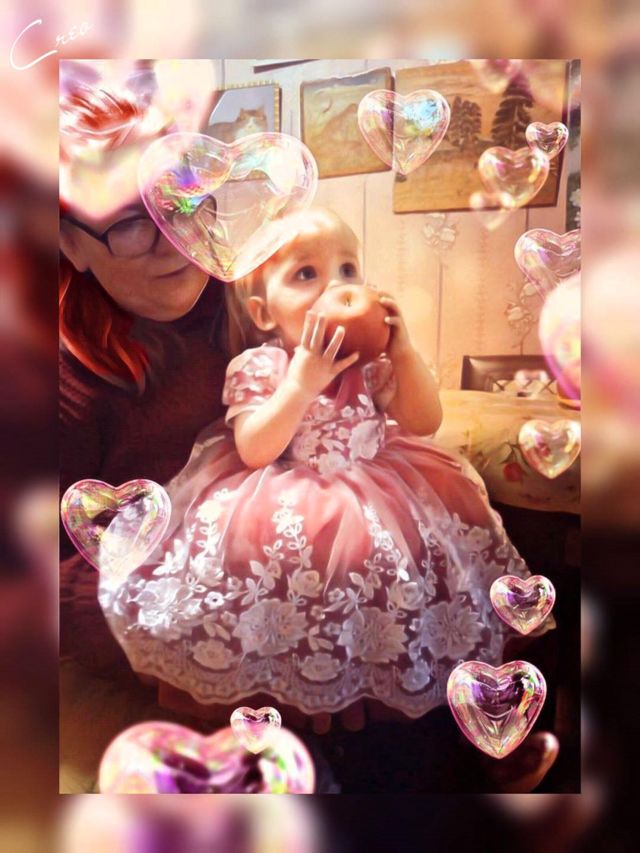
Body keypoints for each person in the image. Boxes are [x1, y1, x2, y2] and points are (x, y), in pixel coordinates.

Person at [99, 206, 553, 728]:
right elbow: (254, 448)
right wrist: (301, 384)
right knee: (292, 583)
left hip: (381, 488)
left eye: (348, 270)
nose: (336, 288)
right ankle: (300, 696)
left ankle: (371, 689)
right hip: (287, 496)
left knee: (384, 578)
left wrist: (403, 353)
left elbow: (424, 421)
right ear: (264, 313)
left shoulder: (369, 365)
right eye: (306, 274)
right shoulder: (263, 365)